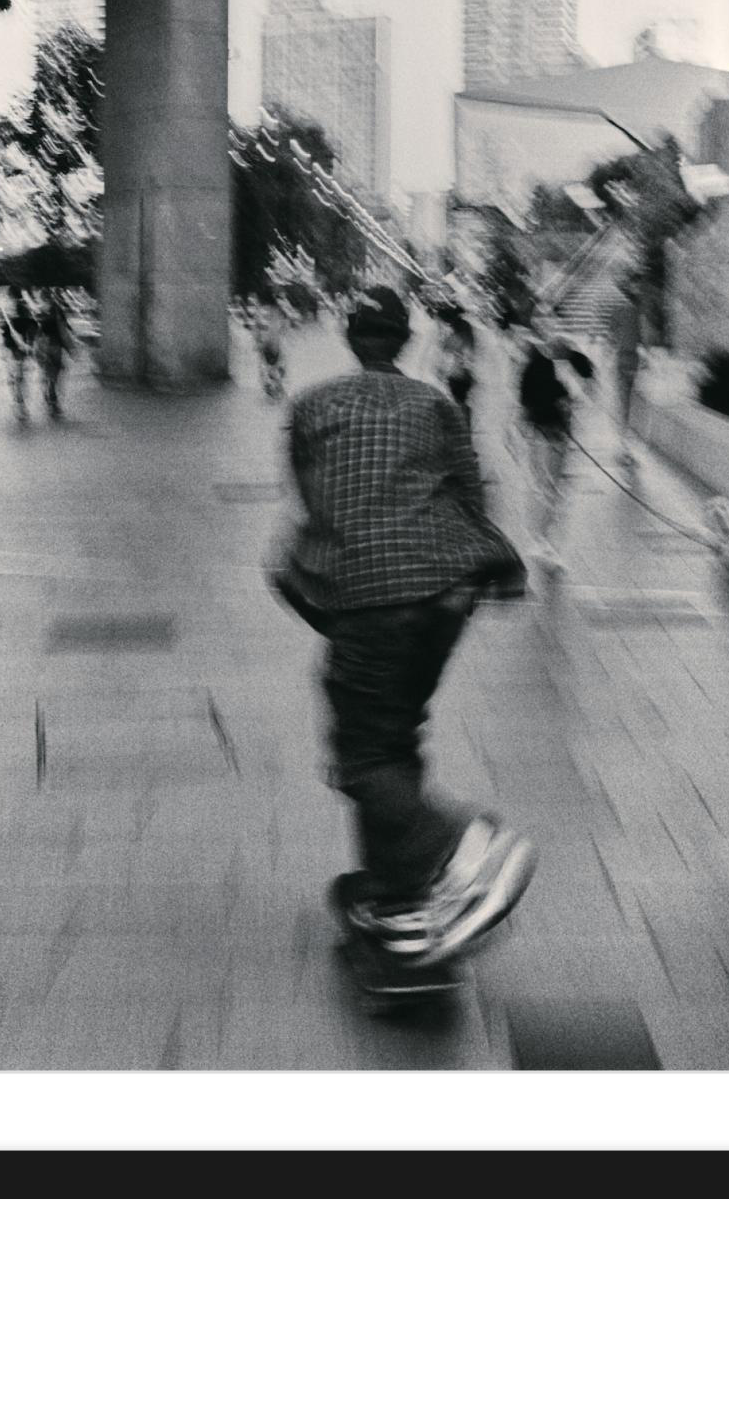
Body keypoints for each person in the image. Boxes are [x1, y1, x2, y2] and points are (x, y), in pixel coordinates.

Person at [272, 285, 536, 970]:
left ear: (350, 336)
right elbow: (473, 497)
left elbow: (314, 507)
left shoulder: (311, 407)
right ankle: (399, 904)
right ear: (406, 338)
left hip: (372, 591)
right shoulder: (436, 404)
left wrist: (316, 588)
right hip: (447, 592)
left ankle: (468, 848)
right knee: (394, 740)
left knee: (363, 754)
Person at [514, 325, 596, 575]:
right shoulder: (543, 367)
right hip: (551, 433)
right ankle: (543, 539)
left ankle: (543, 540)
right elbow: (529, 400)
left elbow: (525, 400)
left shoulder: (542, 365)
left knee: (547, 486)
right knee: (549, 487)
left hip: (550, 433)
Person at [604, 271, 647, 468]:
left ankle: (625, 448)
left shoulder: (631, 310)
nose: (637, 289)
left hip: (628, 360)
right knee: (626, 407)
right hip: (627, 360)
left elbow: (612, 337)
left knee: (626, 407)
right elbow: (615, 337)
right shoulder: (631, 310)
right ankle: (625, 449)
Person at [433, 302, 478, 421]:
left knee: (453, 404)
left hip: (455, 376)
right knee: (461, 405)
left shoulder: (454, 336)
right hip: (465, 377)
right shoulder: (469, 333)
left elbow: (445, 348)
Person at [0, 288, 37, 420]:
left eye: (10, 297)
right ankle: (19, 403)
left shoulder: (16, 310)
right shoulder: (16, 310)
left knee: (17, 376)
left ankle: (19, 403)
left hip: (14, 348)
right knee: (17, 376)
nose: (11, 300)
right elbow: (33, 327)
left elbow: (32, 327)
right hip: (16, 348)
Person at [33, 290, 70, 421]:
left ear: (43, 298)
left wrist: (35, 346)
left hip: (44, 345)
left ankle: (49, 396)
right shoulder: (58, 310)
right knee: (55, 374)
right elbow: (64, 330)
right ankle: (53, 400)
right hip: (55, 346)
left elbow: (36, 331)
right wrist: (70, 348)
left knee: (46, 373)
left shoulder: (39, 312)